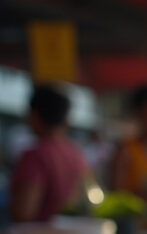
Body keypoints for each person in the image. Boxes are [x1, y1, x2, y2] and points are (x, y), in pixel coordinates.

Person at [9, 85, 88, 222]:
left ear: (34, 116)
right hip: (72, 232)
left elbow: (24, 211)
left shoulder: (35, 156)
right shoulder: (76, 154)